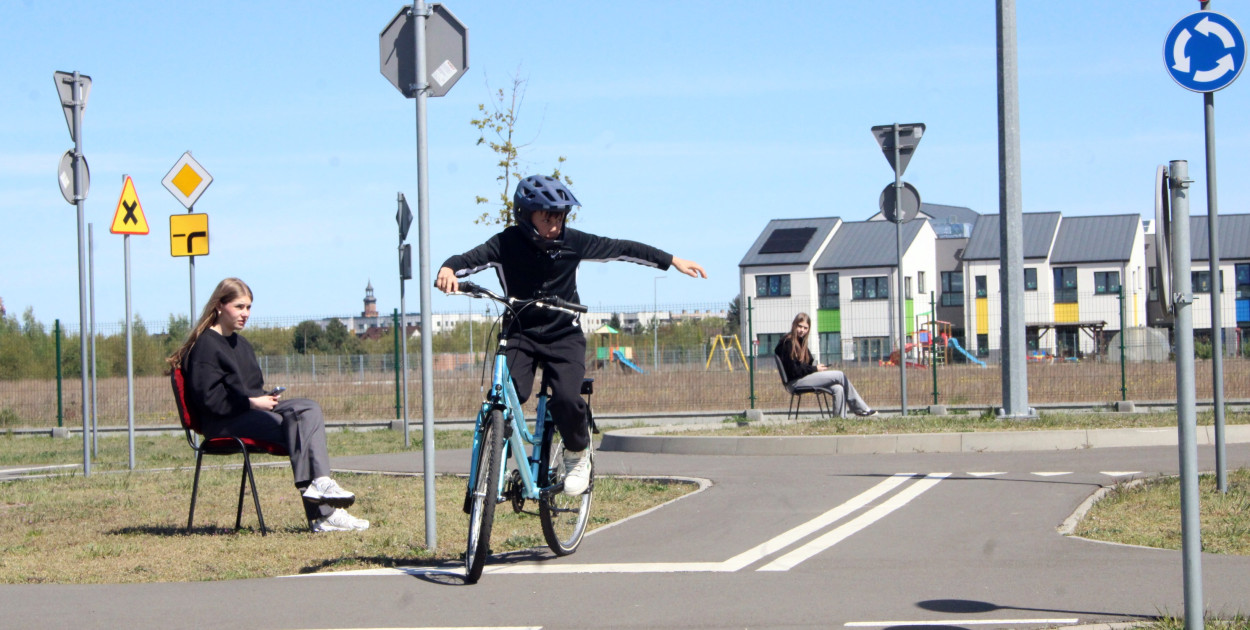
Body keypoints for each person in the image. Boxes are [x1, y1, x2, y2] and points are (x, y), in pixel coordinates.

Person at [435, 175, 707, 495]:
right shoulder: (505, 243)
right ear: (525, 216)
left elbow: (622, 248)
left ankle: (577, 454)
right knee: (511, 393)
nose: (555, 224)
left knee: (565, 398)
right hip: (520, 333)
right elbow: (467, 261)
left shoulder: (574, 242)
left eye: (560, 217)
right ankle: (497, 455)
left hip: (564, 334)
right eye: (546, 217)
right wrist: (448, 269)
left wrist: (672, 260)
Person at [167, 277, 369, 532]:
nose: (246, 314)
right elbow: (210, 401)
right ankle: (324, 514)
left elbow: (251, 389)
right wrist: (252, 402)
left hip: (248, 412)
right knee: (292, 428)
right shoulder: (206, 345)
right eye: (239, 307)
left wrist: (266, 398)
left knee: (308, 409)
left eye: (249, 307)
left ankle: (322, 484)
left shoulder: (241, 344)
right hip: (222, 423)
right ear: (219, 305)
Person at [774, 312, 876, 417]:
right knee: (839, 375)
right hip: (795, 383)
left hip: (803, 378)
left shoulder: (800, 342)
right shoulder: (787, 343)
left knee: (838, 388)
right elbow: (794, 371)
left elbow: (805, 364)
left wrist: (813, 365)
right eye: (800, 326)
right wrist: (814, 369)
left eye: (805, 328)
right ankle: (861, 409)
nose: (802, 330)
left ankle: (839, 421)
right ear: (794, 325)